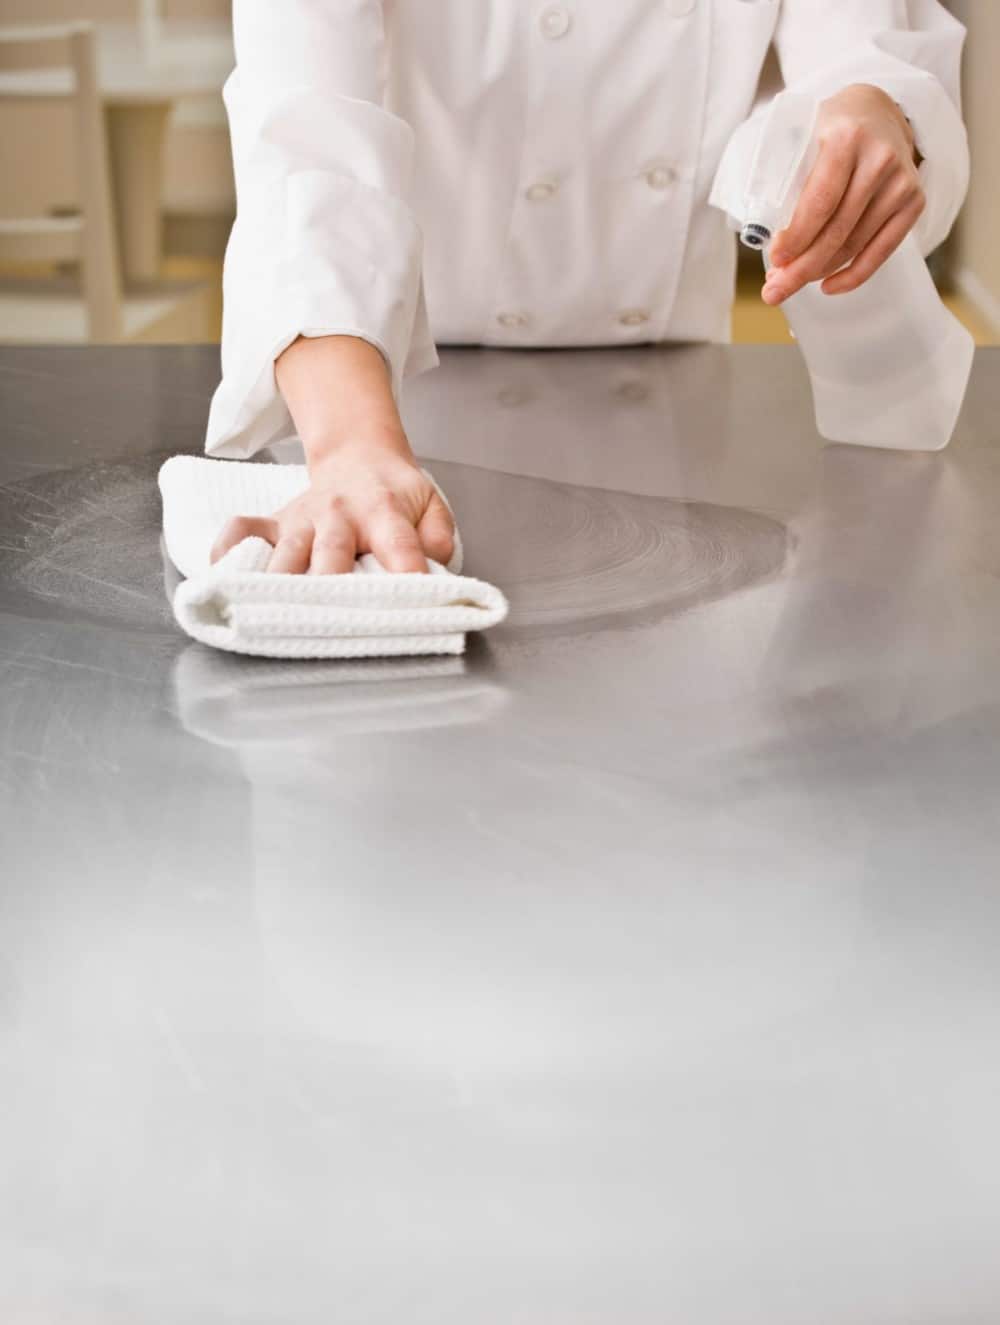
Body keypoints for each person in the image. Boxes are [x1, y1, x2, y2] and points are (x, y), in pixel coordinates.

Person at [206, 1, 968, 575]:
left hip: (678, 419)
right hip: (387, 389)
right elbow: (308, 146)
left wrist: (878, 113)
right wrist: (351, 447)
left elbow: (864, 51)